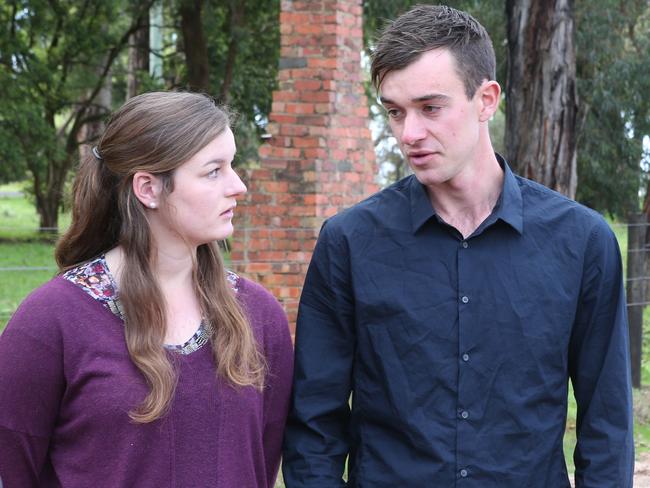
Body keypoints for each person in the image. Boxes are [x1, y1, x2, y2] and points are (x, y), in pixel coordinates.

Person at [282, 5, 633, 487]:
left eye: (430, 108)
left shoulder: (583, 242)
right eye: (394, 112)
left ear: (486, 99)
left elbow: (607, 425)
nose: (409, 134)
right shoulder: (348, 242)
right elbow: (314, 428)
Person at [0, 91, 293, 487]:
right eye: (213, 171)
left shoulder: (259, 316)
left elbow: (262, 462)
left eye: (233, 165)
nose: (238, 186)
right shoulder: (52, 322)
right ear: (148, 188)